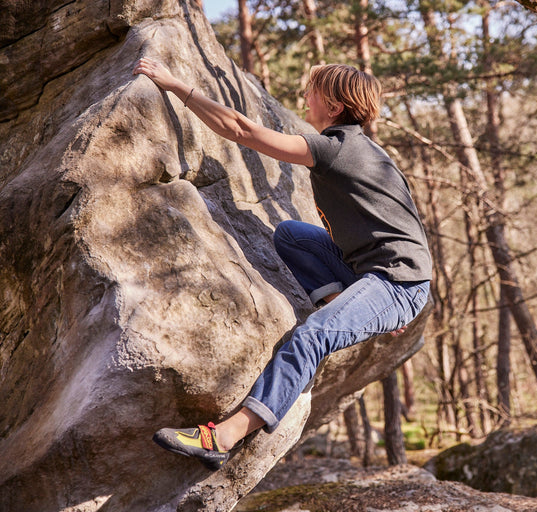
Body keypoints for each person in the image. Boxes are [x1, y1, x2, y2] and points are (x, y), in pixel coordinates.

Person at [132, 57, 432, 471]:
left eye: (313, 91)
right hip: (374, 273)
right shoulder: (363, 149)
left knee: (313, 336)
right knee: (291, 234)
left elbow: (241, 130)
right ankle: (341, 303)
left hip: (397, 282)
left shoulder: (337, 148)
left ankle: (222, 437)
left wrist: (176, 85)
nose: (305, 97)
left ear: (334, 106)